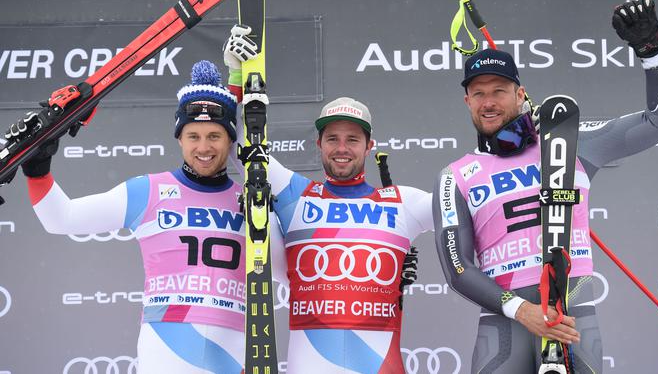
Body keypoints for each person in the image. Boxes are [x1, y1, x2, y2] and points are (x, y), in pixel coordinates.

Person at [432, 0, 658, 373]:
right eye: (478, 93)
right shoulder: (455, 176)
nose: (488, 102)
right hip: (505, 323)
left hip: (572, 312)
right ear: (467, 102)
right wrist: (523, 310)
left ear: (519, 95)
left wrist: (652, 55)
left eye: (499, 90)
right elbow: (458, 267)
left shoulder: (569, 142)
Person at [10, 61, 251, 373]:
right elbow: (62, 218)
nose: (203, 147)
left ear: (231, 140)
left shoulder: (250, 200)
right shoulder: (148, 191)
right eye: (193, 136)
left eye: (214, 136)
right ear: (179, 138)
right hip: (166, 348)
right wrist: (38, 170)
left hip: (233, 347)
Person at [225, 29, 432, 373]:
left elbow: (471, 208)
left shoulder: (402, 201)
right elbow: (241, 149)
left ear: (369, 146)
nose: (341, 148)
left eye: (353, 139)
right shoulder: (296, 194)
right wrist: (236, 77)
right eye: (332, 138)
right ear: (318, 145)